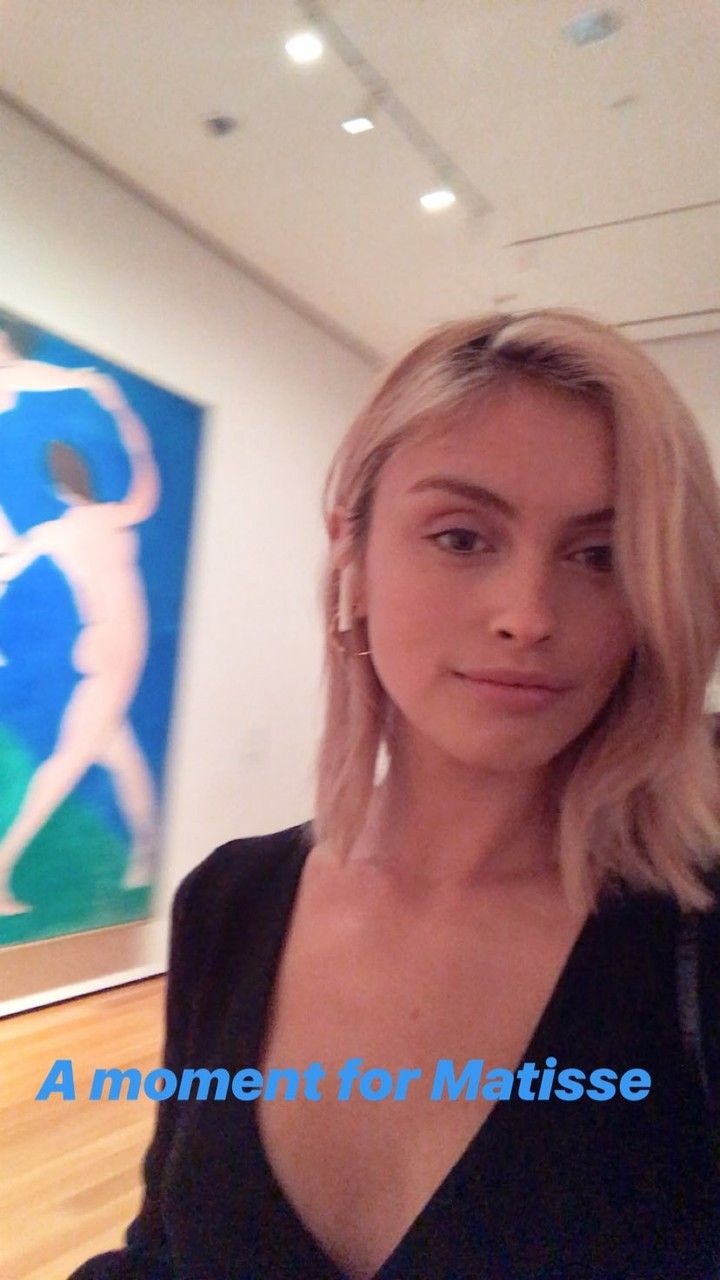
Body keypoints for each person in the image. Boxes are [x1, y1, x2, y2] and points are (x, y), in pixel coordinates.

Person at [68, 309, 720, 1279]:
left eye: (600, 555)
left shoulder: (692, 939)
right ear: (353, 555)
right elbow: (163, 1248)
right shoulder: (231, 901)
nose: (528, 616)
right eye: (461, 536)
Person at [0, 370, 160, 913]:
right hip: (114, 654)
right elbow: (145, 478)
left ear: (56, 487)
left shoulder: (66, 530)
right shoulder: (109, 519)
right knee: (69, 763)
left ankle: (145, 855)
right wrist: (120, 410)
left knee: (121, 756)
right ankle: (2, 869)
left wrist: (120, 410)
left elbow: (10, 562)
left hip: (112, 653)